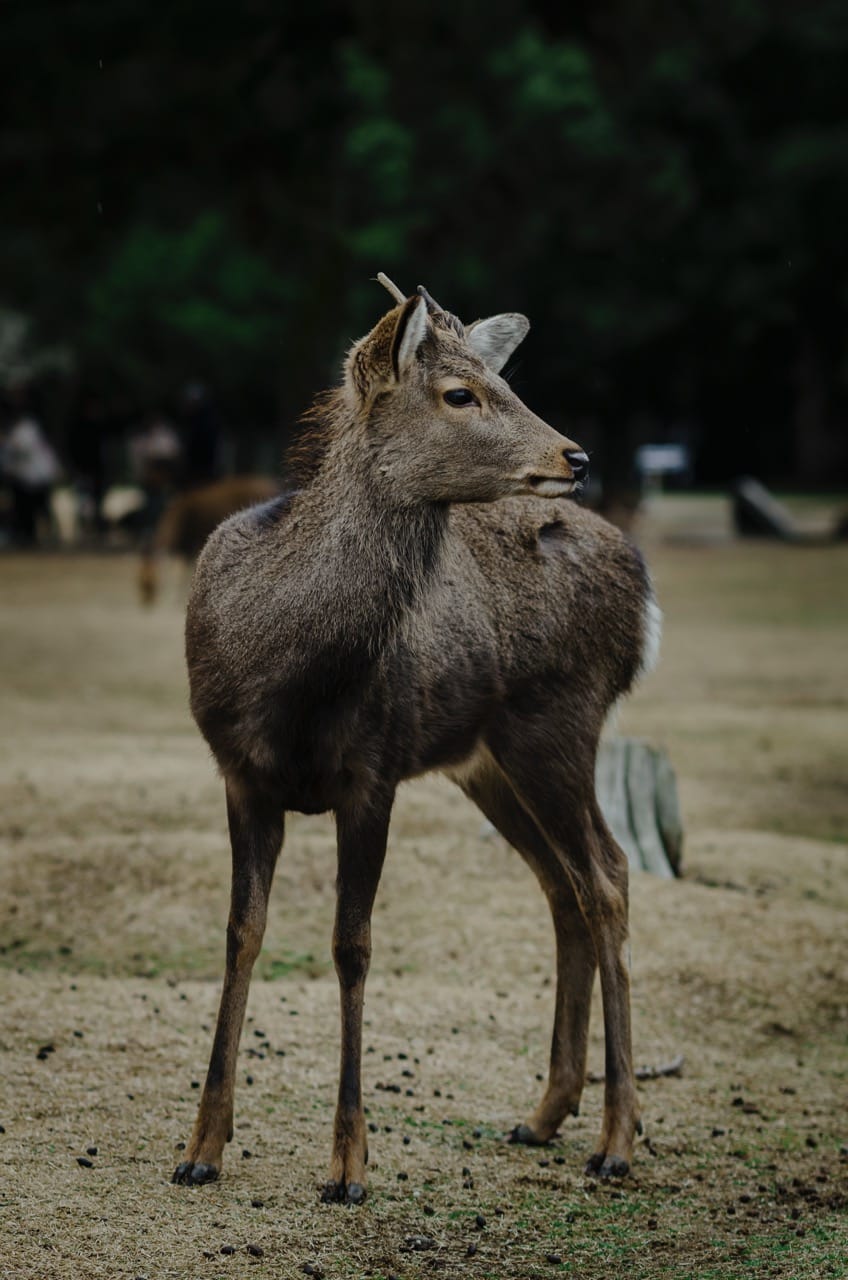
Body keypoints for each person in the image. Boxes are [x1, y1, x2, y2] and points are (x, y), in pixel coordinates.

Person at [0, 386, 62, 546]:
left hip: (36, 477)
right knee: (25, 512)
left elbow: (22, 448)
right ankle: (29, 538)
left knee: (41, 509)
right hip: (22, 478)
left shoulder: (27, 429)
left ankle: (48, 536)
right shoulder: (16, 430)